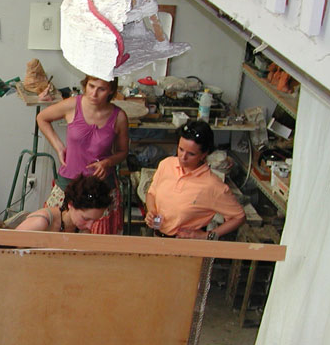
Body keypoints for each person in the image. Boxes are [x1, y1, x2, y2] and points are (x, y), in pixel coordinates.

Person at [37, 74, 129, 234]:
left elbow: (123, 152)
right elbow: (42, 118)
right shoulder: (73, 104)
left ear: (111, 91)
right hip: (69, 182)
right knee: (55, 232)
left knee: (96, 241)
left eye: (101, 89)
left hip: (100, 187)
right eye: (91, 86)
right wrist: (59, 147)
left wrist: (107, 162)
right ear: (85, 84)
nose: (94, 94)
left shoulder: (119, 117)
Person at [145, 121, 246, 239]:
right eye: (181, 149)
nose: (183, 157)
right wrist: (151, 211)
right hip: (157, 236)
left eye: (191, 154)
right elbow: (151, 193)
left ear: (204, 154)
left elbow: (239, 217)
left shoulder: (211, 185)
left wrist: (207, 236)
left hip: (183, 244)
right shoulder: (167, 164)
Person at [15, 174, 112, 233]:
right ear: (70, 205)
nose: (90, 226)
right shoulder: (41, 221)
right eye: (85, 219)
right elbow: (9, 249)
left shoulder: (82, 229)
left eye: (94, 220)